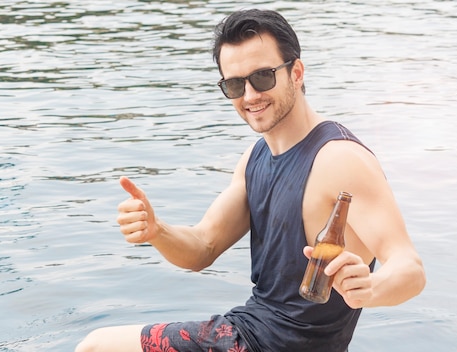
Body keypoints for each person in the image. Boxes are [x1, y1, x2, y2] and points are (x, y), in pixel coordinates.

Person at [75, 8, 425, 352]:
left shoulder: (339, 159)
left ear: (297, 72)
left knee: (96, 346)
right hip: (247, 331)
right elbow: (203, 247)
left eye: (262, 77)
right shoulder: (254, 160)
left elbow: (409, 268)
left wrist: (371, 287)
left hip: (267, 343)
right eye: (234, 84)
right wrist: (156, 230)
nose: (250, 96)